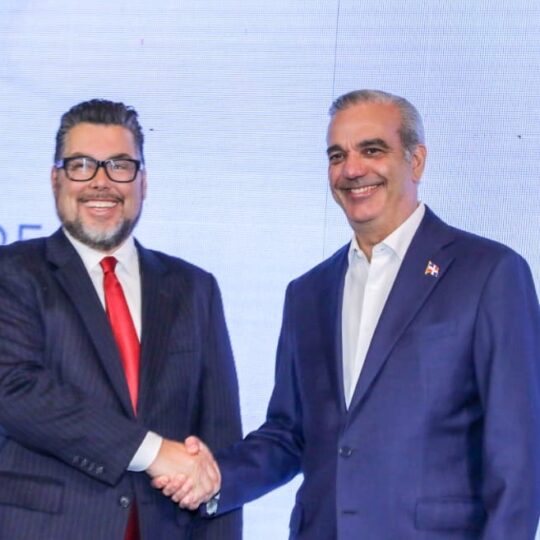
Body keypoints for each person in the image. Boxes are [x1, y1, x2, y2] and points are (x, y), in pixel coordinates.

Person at [159, 90, 540, 539]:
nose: (352, 169)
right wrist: (216, 476)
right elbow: (290, 434)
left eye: (372, 150)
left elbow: (519, 452)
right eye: (337, 155)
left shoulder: (488, 272)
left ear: (416, 161)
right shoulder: (308, 293)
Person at [0, 99, 242, 539]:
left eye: (120, 166)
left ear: (143, 182)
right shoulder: (12, 272)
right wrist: (152, 452)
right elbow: (14, 390)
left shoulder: (194, 289)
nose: (101, 181)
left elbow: (218, 444)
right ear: (55, 179)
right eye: (81, 165)